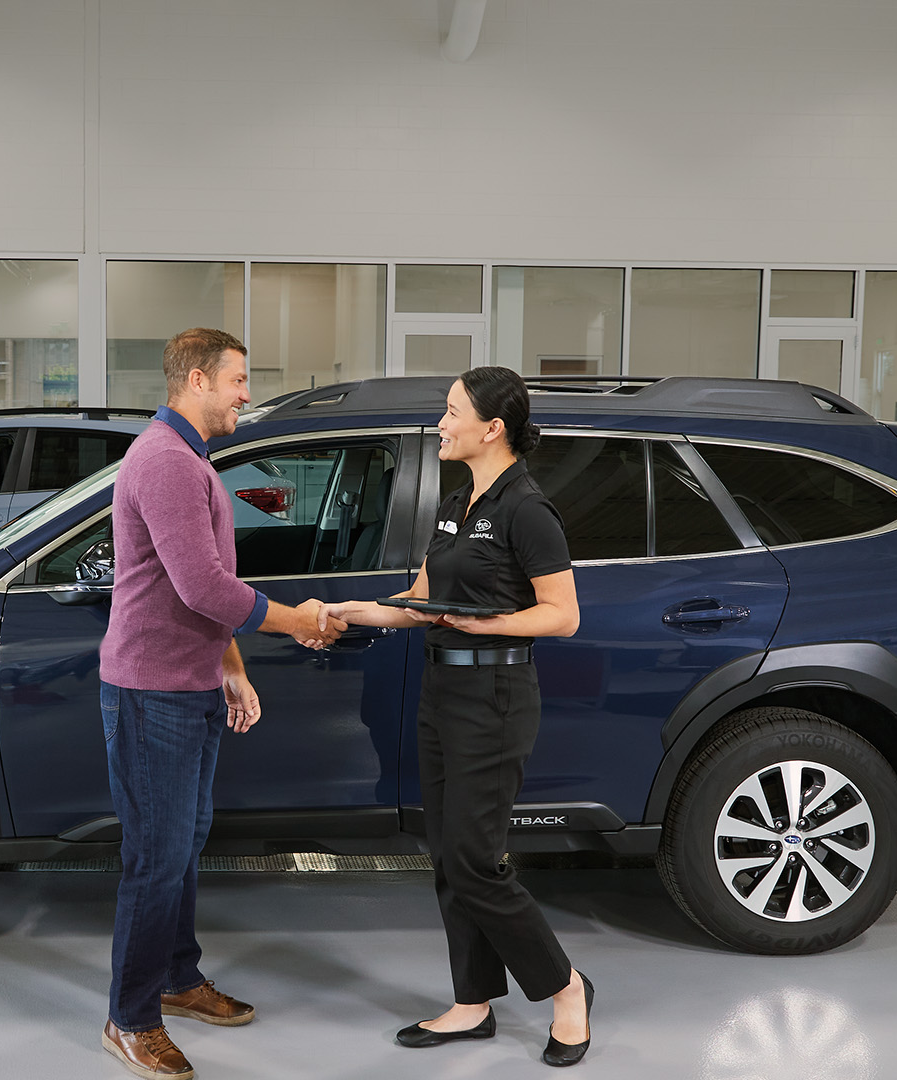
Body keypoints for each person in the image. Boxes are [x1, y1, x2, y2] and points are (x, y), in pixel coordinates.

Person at [319, 366, 594, 1068]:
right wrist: (348, 612)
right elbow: (418, 599)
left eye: (450, 413)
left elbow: (562, 616)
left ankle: (565, 988)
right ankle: (472, 1002)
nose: (440, 424)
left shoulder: (526, 509)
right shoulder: (456, 502)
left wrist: (477, 624)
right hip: (443, 696)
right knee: (447, 856)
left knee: (475, 861)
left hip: (495, 702)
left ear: (491, 427)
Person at [98, 327, 347, 1080]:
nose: (247, 393)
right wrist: (299, 620)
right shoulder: (168, 463)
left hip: (190, 684)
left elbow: (202, 583)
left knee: (183, 843)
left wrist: (231, 666)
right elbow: (203, 590)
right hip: (153, 694)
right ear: (198, 380)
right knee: (156, 856)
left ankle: (176, 979)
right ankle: (130, 1018)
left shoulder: (189, 459)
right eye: (239, 379)